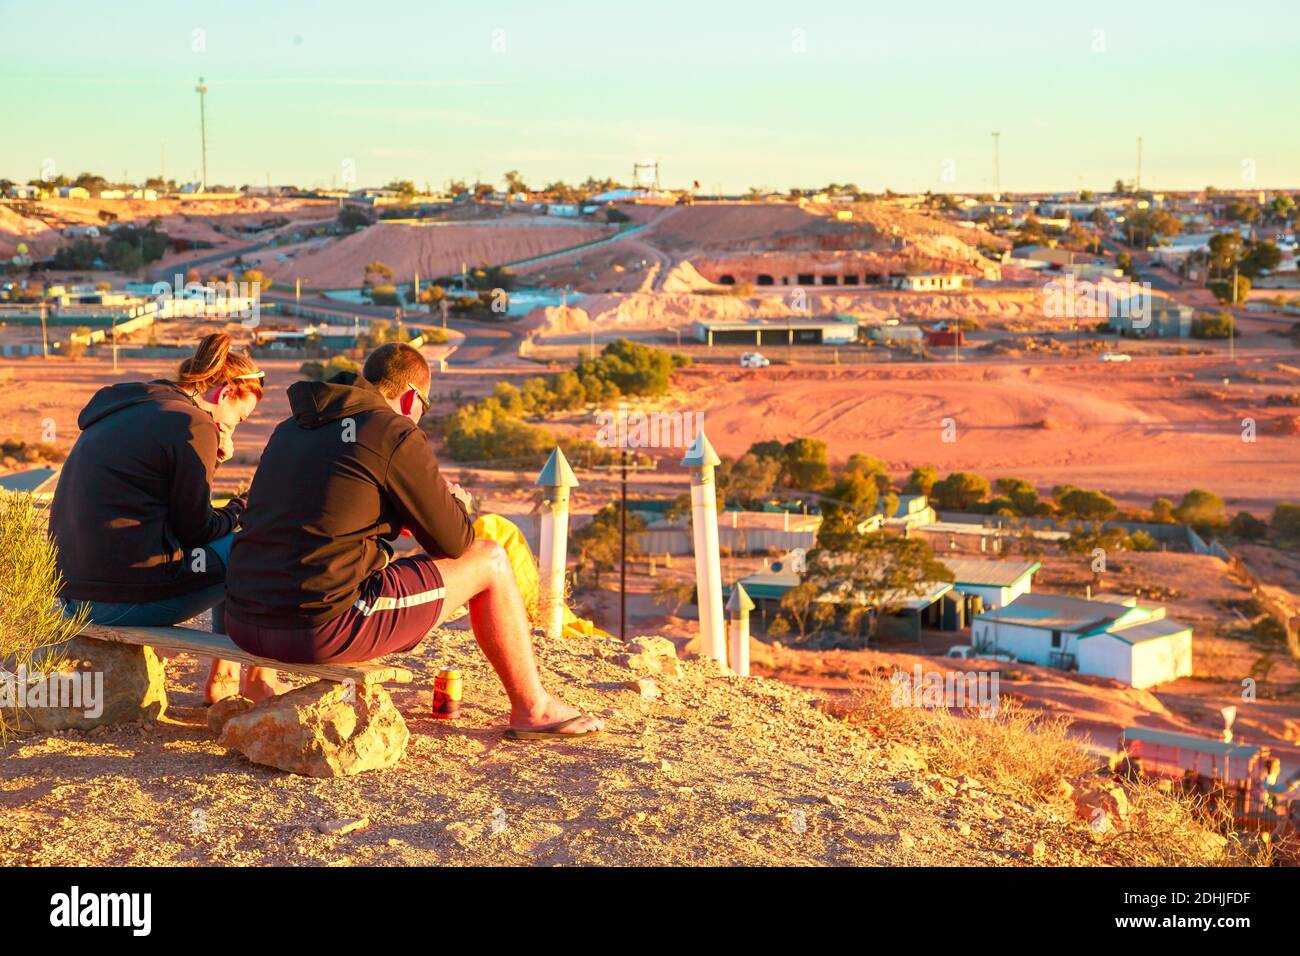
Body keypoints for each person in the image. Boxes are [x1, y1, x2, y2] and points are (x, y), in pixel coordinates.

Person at [225, 342, 601, 739]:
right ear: (410, 397)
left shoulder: (292, 428)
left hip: (244, 623)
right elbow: (454, 543)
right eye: (425, 407)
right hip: (318, 630)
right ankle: (533, 708)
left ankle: (254, 680)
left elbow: (316, 517)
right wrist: (456, 505)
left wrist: (390, 516)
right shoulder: (392, 429)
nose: (420, 420)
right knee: (489, 558)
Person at [49, 332, 285, 703]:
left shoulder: (130, 408)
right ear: (224, 394)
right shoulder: (193, 424)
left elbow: (175, 513)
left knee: (231, 547)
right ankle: (253, 677)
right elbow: (198, 530)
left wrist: (213, 464)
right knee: (256, 546)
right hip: (120, 604)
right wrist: (241, 508)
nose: (231, 430)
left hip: (73, 597)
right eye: (238, 419)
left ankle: (224, 675)